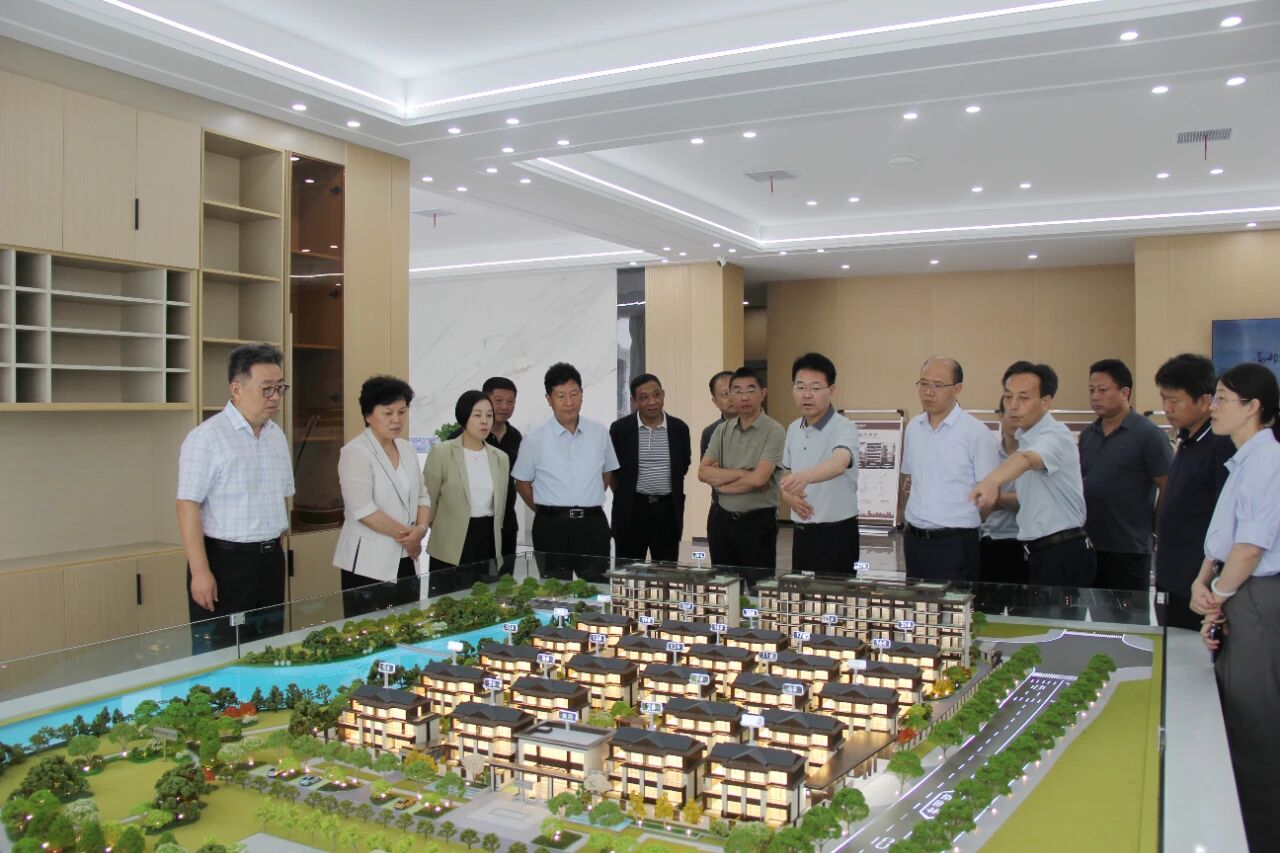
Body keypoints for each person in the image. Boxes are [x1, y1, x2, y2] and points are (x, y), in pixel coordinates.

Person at [1193, 363, 1280, 853]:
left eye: (1224, 398)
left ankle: (1261, 835)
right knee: (1237, 713)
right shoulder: (1243, 460)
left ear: (1254, 407)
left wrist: (1217, 597)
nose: (1214, 406)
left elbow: (1250, 547)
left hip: (1256, 596)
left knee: (1255, 721)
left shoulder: (1268, 461)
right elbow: (1224, 541)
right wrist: (1204, 581)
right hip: (1236, 590)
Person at [176, 343, 292, 654]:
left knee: (268, 648)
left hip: (270, 560)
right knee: (221, 653)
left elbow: (282, 499)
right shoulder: (207, 437)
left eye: (280, 388)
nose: (275, 397)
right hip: (225, 562)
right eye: (266, 389)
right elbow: (187, 506)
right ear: (236, 388)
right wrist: (200, 572)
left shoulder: (276, 436)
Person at [971, 362, 1094, 587]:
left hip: (1062, 550)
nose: (1013, 406)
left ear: (1045, 402)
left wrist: (992, 481)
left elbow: (1027, 460)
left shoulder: (1055, 435)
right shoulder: (1026, 437)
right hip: (1038, 551)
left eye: (1024, 398)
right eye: (1008, 396)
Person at [333, 376, 430, 615]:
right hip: (368, 563)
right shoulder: (355, 452)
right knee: (369, 628)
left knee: (408, 623)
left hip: (406, 556)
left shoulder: (406, 448)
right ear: (368, 415)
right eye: (388, 413)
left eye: (402, 412)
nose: (397, 419)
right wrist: (409, 537)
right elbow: (364, 510)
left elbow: (422, 496)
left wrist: (421, 529)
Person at [513, 362, 619, 581]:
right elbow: (522, 483)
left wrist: (587, 498)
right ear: (549, 399)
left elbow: (606, 473)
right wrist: (547, 510)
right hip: (551, 527)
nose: (569, 402)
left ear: (582, 394)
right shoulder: (534, 439)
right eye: (561, 396)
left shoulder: (599, 432)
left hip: (592, 523)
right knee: (555, 589)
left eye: (574, 394)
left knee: (597, 587)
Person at [901, 357, 999, 581]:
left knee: (954, 603)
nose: (928, 392)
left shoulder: (976, 433)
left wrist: (965, 522)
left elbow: (990, 496)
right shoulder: (914, 428)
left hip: (955, 542)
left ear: (957, 389)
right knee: (917, 601)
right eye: (923, 384)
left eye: (938, 385)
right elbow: (909, 479)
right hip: (915, 540)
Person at [1153, 354, 1234, 629]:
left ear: (1204, 401)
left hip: (1199, 585)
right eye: (1163, 398)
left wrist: (1212, 582)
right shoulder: (1188, 439)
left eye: (1174, 400)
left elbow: (1226, 519)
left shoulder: (1221, 445)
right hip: (1172, 579)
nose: (1166, 408)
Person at [1078, 359, 1172, 591]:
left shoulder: (1148, 434)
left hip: (1129, 548)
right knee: (1094, 613)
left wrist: (1157, 528)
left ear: (1124, 393)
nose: (1095, 397)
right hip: (1089, 545)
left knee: (1127, 613)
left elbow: (1168, 485)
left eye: (1102, 390)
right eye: (1091, 390)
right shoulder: (1088, 434)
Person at [699, 366, 786, 589]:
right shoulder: (721, 430)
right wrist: (743, 473)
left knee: (759, 588)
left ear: (763, 393)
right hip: (721, 521)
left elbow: (760, 480)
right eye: (737, 391)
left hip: (757, 523)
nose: (743, 397)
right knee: (723, 587)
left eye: (750, 390)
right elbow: (703, 472)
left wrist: (723, 486)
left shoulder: (775, 431)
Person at [778, 352, 862, 577]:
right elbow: (786, 473)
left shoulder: (844, 427)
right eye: (800, 387)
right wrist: (787, 495)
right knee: (801, 595)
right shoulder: (793, 428)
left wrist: (805, 477)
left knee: (836, 595)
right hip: (801, 532)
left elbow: (839, 463)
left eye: (815, 388)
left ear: (831, 391)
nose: (807, 395)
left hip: (836, 534)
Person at [424, 390, 510, 594]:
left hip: (487, 538)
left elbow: (501, 505)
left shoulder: (500, 457)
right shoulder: (442, 452)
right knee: (447, 601)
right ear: (464, 417)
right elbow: (428, 501)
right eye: (477, 415)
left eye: (489, 415)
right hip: (451, 539)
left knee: (484, 599)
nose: (484, 421)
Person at [610, 373, 692, 562]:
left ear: (663, 394)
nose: (652, 402)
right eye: (644, 397)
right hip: (631, 510)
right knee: (628, 571)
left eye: (656, 395)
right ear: (633, 401)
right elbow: (613, 471)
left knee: (665, 570)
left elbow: (683, 466)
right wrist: (625, 494)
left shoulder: (679, 428)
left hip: (667, 511)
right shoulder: (620, 429)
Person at [979, 399, 1026, 591]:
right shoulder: (988, 454)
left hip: (1021, 544)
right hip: (987, 541)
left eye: (1020, 414)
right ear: (999, 416)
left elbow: (1029, 502)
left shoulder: (1034, 457)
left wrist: (995, 498)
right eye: (1009, 413)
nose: (1015, 420)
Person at [483, 376, 523, 571]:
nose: (505, 407)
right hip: (477, 524)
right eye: (498, 401)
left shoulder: (515, 436)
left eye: (510, 401)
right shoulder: (465, 436)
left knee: (504, 579)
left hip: (507, 522)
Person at [700, 369, 736, 535]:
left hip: (755, 512)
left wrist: (722, 473)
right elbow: (707, 474)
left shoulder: (763, 429)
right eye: (724, 394)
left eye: (735, 391)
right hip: (720, 511)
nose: (731, 398)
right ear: (715, 401)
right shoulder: (710, 432)